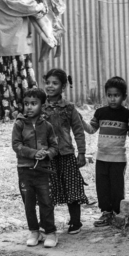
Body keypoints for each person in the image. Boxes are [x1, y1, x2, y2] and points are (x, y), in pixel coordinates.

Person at [82, 76, 129, 227]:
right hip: (102, 158)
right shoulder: (100, 113)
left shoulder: (127, 115)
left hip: (118, 158)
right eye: (110, 95)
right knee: (102, 187)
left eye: (116, 95)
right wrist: (80, 121)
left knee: (117, 187)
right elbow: (91, 130)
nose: (112, 99)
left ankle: (118, 214)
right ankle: (106, 213)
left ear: (124, 96)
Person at [42, 68, 89, 235]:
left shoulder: (69, 108)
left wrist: (81, 153)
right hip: (47, 156)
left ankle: (75, 222)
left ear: (63, 87)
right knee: (47, 189)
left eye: (55, 83)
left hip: (67, 154)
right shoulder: (40, 107)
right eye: (47, 83)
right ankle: (47, 224)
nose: (50, 86)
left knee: (72, 188)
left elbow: (78, 131)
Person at [11, 88, 59, 248]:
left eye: (34, 104)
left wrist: (47, 154)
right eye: (26, 104)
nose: (29, 107)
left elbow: (54, 147)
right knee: (28, 202)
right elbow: (16, 145)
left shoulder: (47, 126)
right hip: (25, 170)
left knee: (46, 201)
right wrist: (33, 153)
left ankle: (50, 232)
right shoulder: (19, 124)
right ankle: (34, 231)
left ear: (42, 105)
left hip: (43, 171)